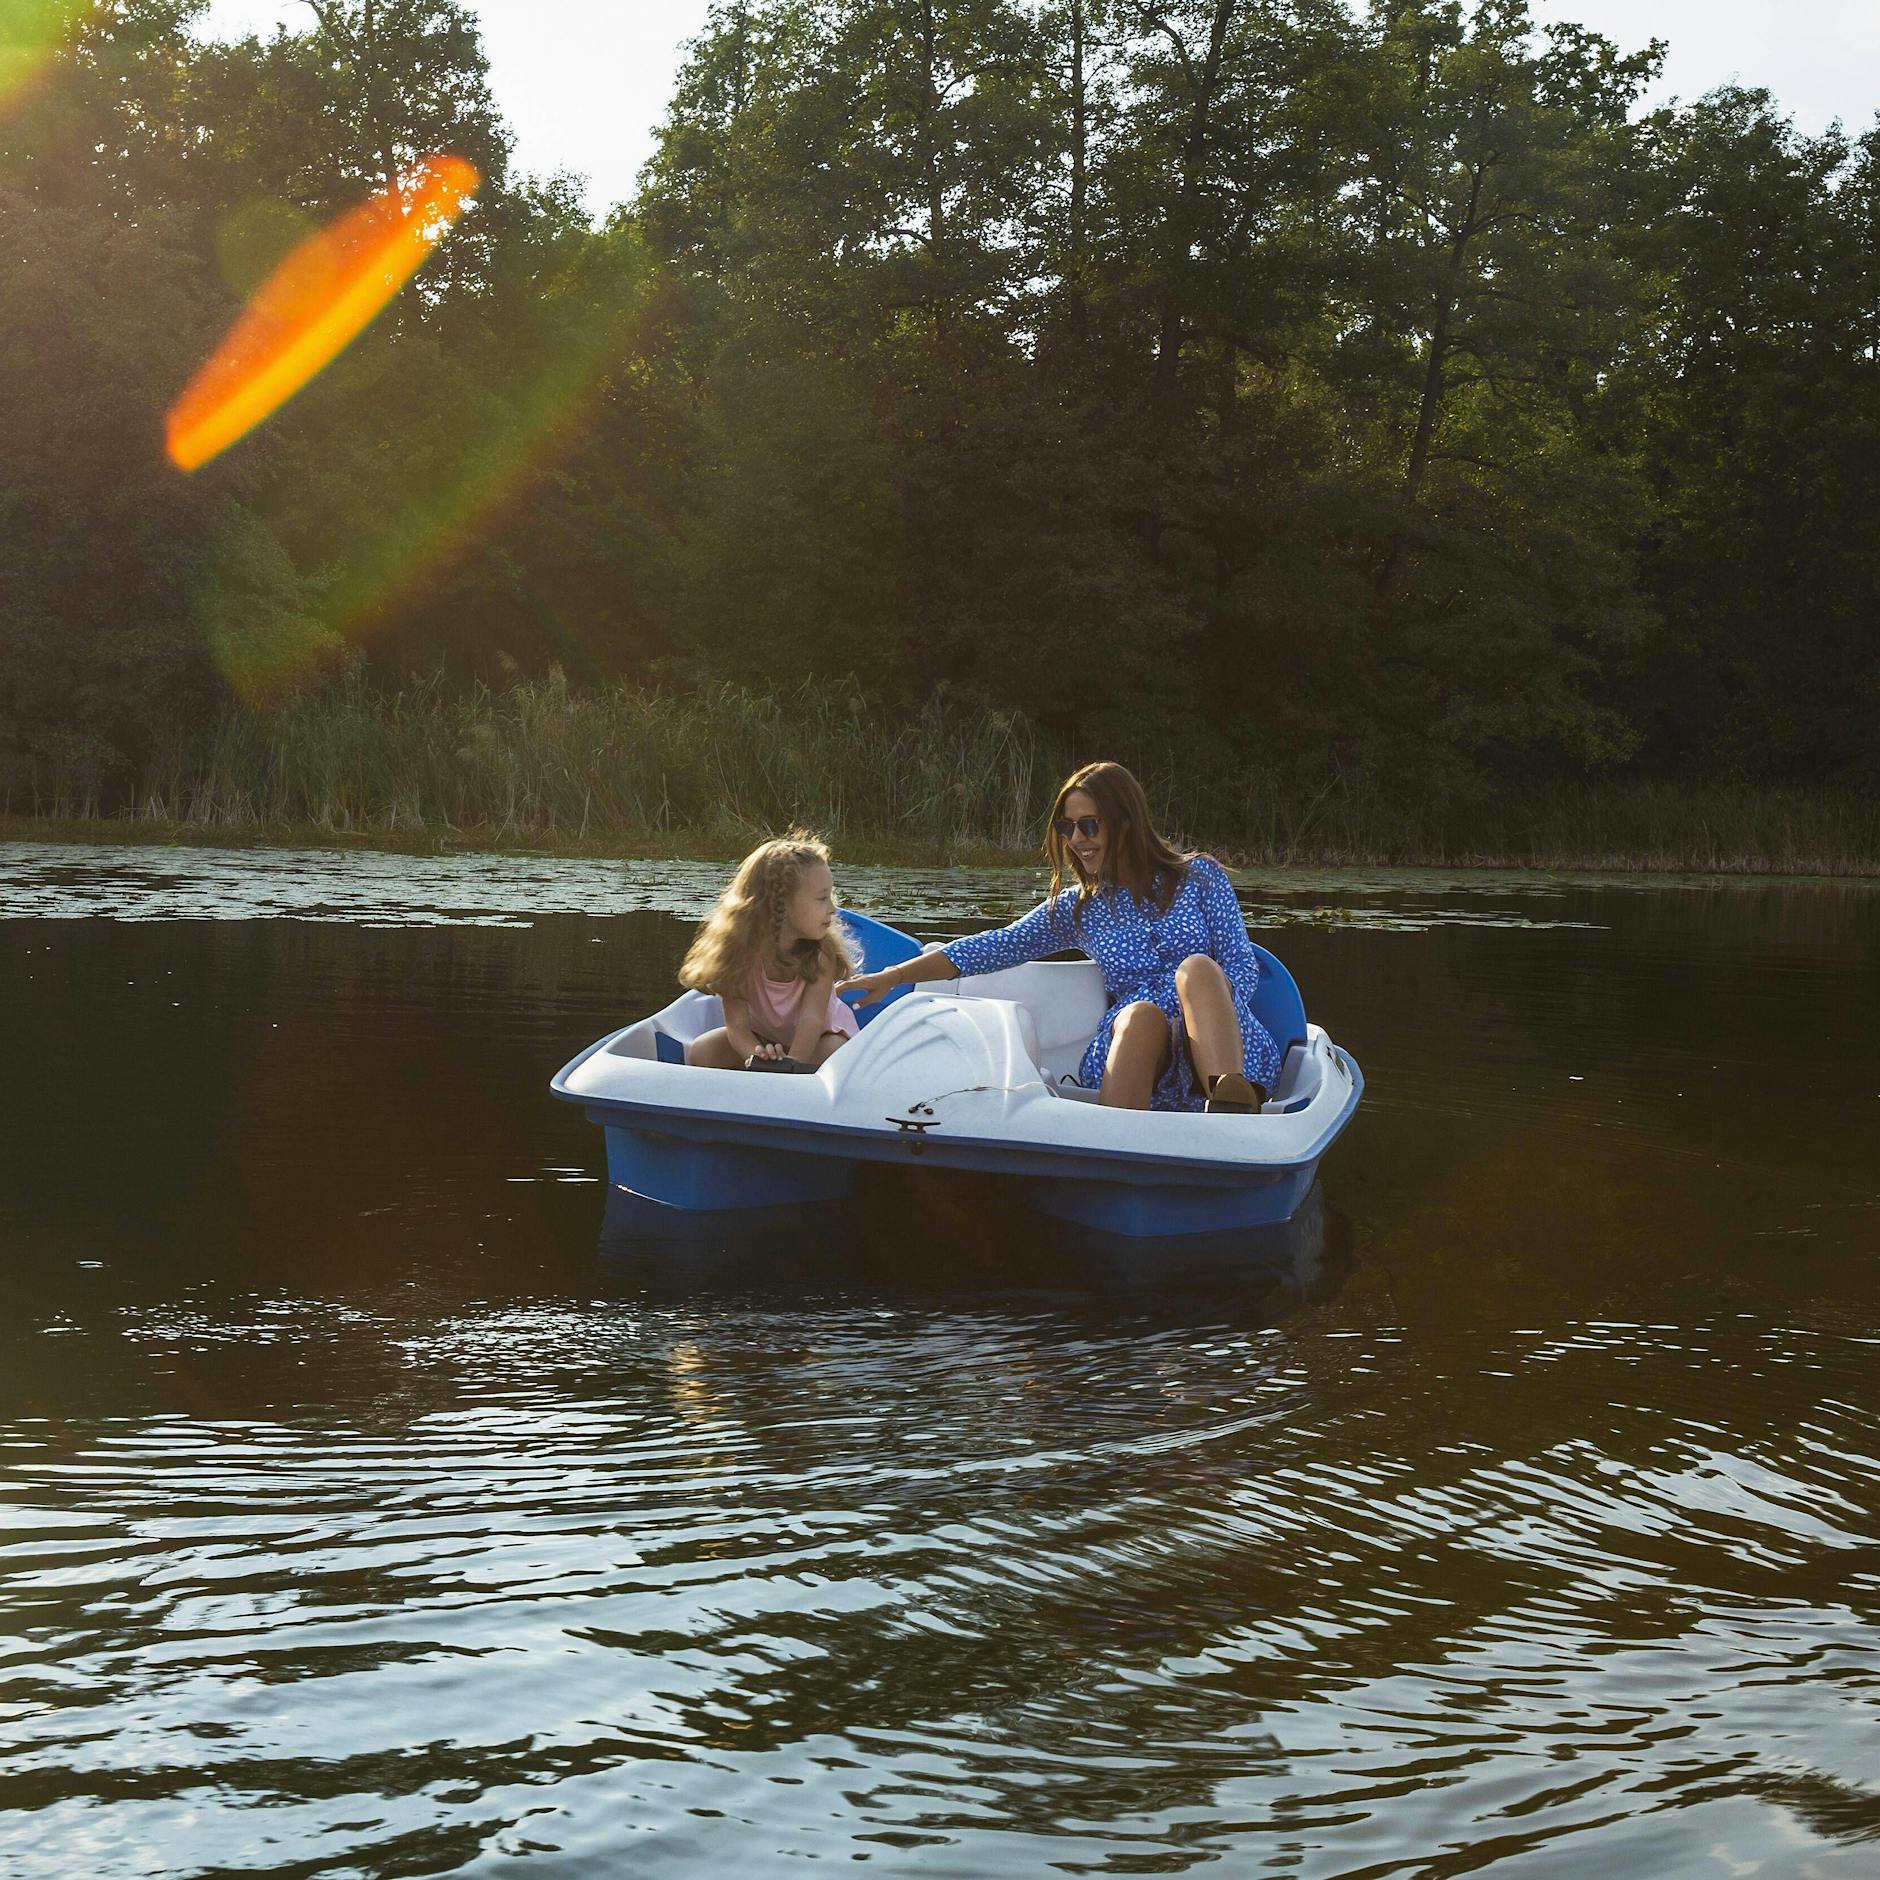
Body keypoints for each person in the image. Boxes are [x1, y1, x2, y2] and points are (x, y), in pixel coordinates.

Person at [842, 762, 1279, 1112]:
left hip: (1222, 1040)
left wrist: (1198, 1024)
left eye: (1089, 825)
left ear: (1125, 822)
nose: (1076, 840)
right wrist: (895, 975)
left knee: (1198, 970)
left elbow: (1240, 963)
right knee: (1138, 1016)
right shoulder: (1079, 907)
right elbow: (996, 945)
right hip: (1141, 1048)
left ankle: (1231, 1107)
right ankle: (1114, 1155)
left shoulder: (1199, 876)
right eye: (1066, 827)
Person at [680, 833, 860, 1072]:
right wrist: (757, 1056)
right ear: (781, 904)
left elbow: (811, 1021)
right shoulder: (737, 954)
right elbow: (738, 1027)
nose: (832, 908)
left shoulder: (820, 954)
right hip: (765, 1039)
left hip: (820, 1038)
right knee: (703, 1051)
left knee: (835, 1053)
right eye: (821, 898)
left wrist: (790, 1066)